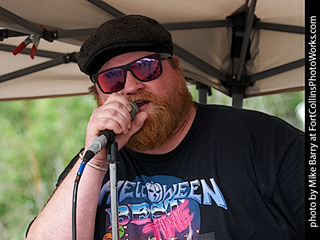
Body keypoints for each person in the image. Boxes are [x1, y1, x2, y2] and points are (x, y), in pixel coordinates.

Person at [26, 15, 305, 240]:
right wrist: (96, 160)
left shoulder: (266, 142)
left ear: (176, 70)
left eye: (146, 68)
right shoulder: (91, 164)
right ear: (98, 97)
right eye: (112, 80)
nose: (131, 86)